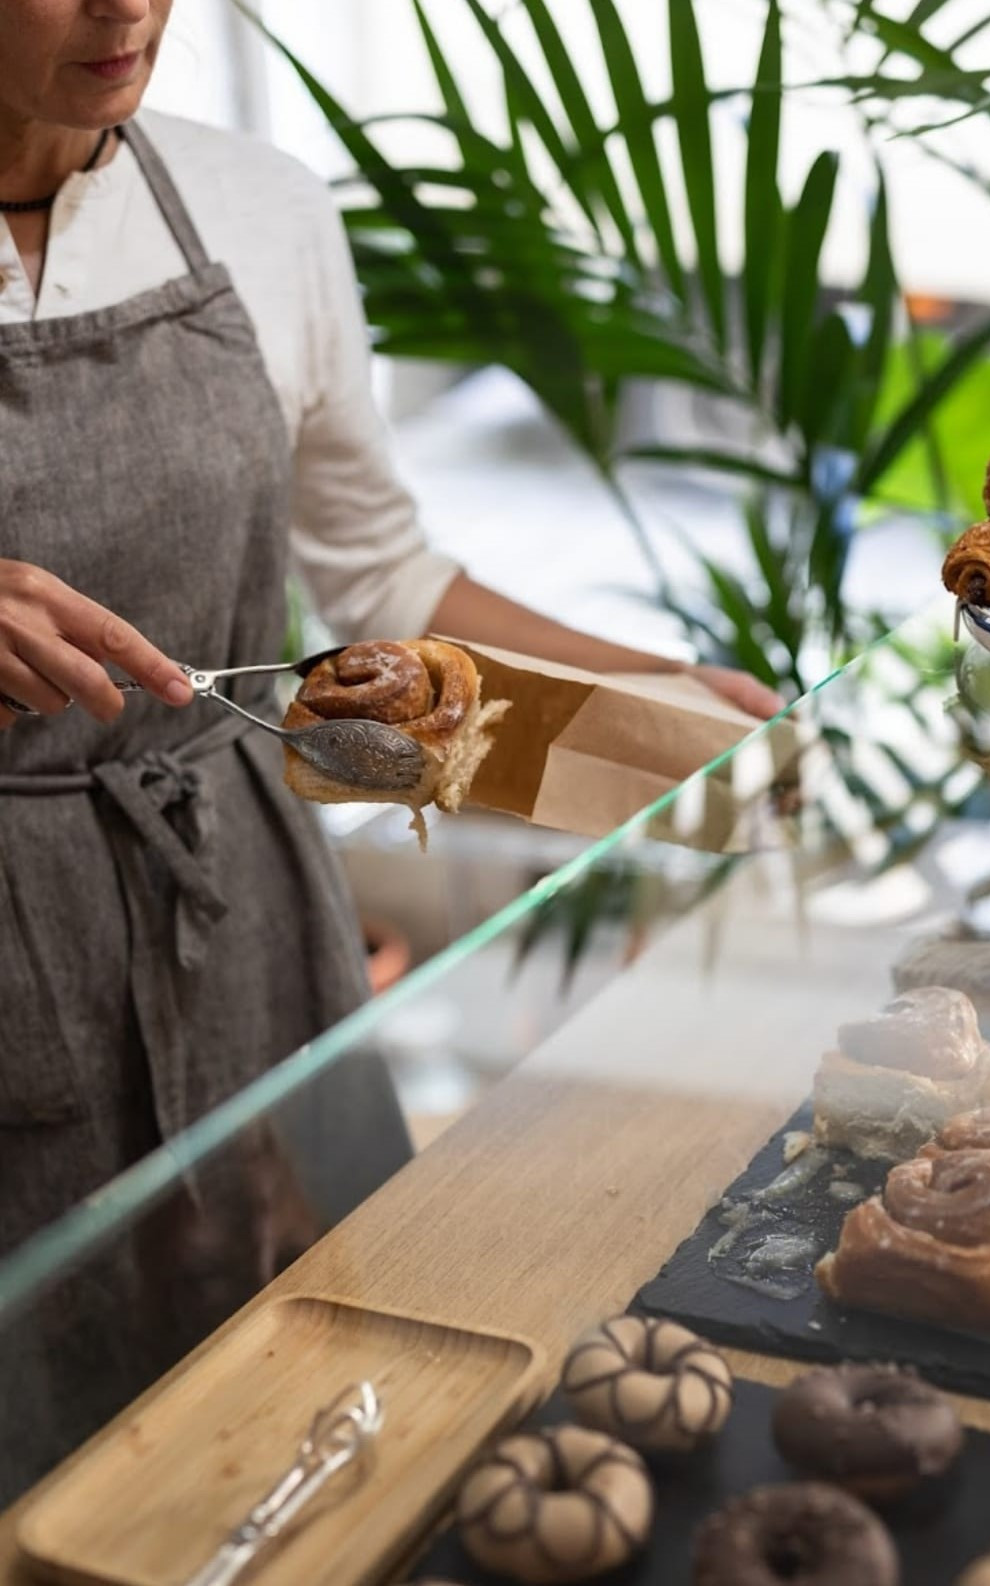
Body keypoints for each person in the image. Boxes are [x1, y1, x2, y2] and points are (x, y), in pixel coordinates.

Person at [0, 0, 781, 1260]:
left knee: (331, 1350)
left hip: (247, 915)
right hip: (15, 967)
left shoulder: (261, 206)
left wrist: (655, 690)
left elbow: (383, 574)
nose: (128, 5)